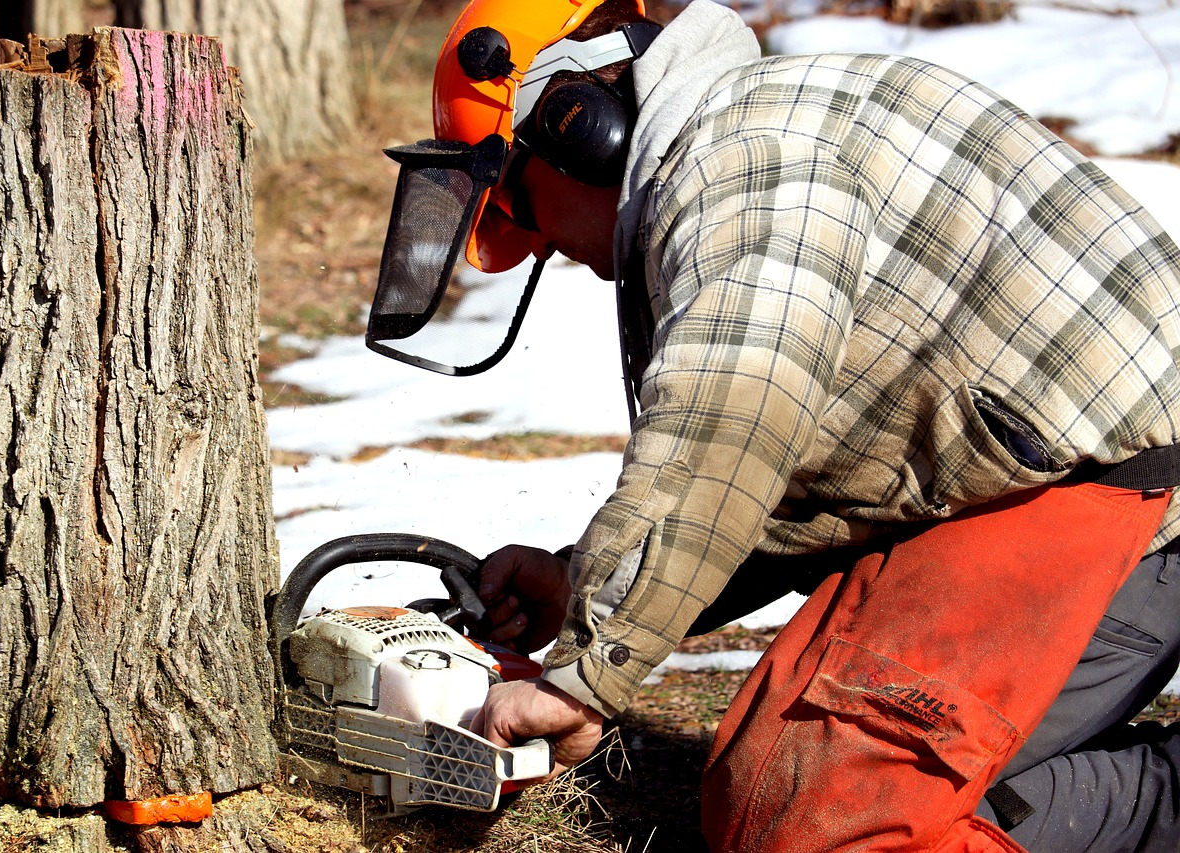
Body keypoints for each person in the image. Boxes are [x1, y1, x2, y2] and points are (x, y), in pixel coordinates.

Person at [363, 0, 1180, 850]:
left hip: (1124, 494)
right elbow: (775, 480)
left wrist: (577, 683)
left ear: (578, 127)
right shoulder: (750, 148)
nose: (538, 244)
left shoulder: (746, 159)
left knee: (812, 819)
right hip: (1030, 477)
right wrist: (583, 588)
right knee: (789, 795)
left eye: (518, 207)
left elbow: (732, 422)